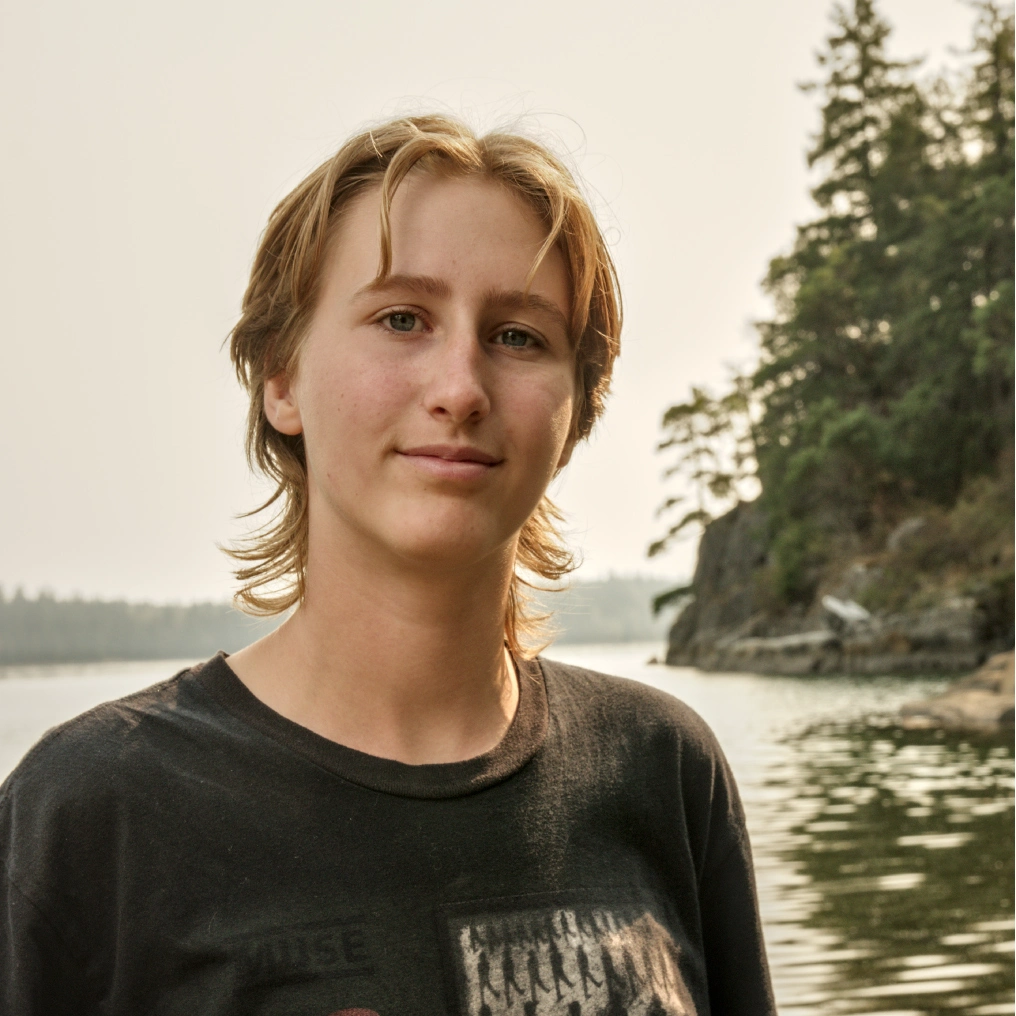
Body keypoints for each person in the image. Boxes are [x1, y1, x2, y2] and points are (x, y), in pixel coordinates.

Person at [0, 115, 776, 1014]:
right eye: (402, 319)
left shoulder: (663, 770)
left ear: (577, 407)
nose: (460, 389)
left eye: (520, 335)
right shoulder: (91, 815)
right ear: (279, 378)